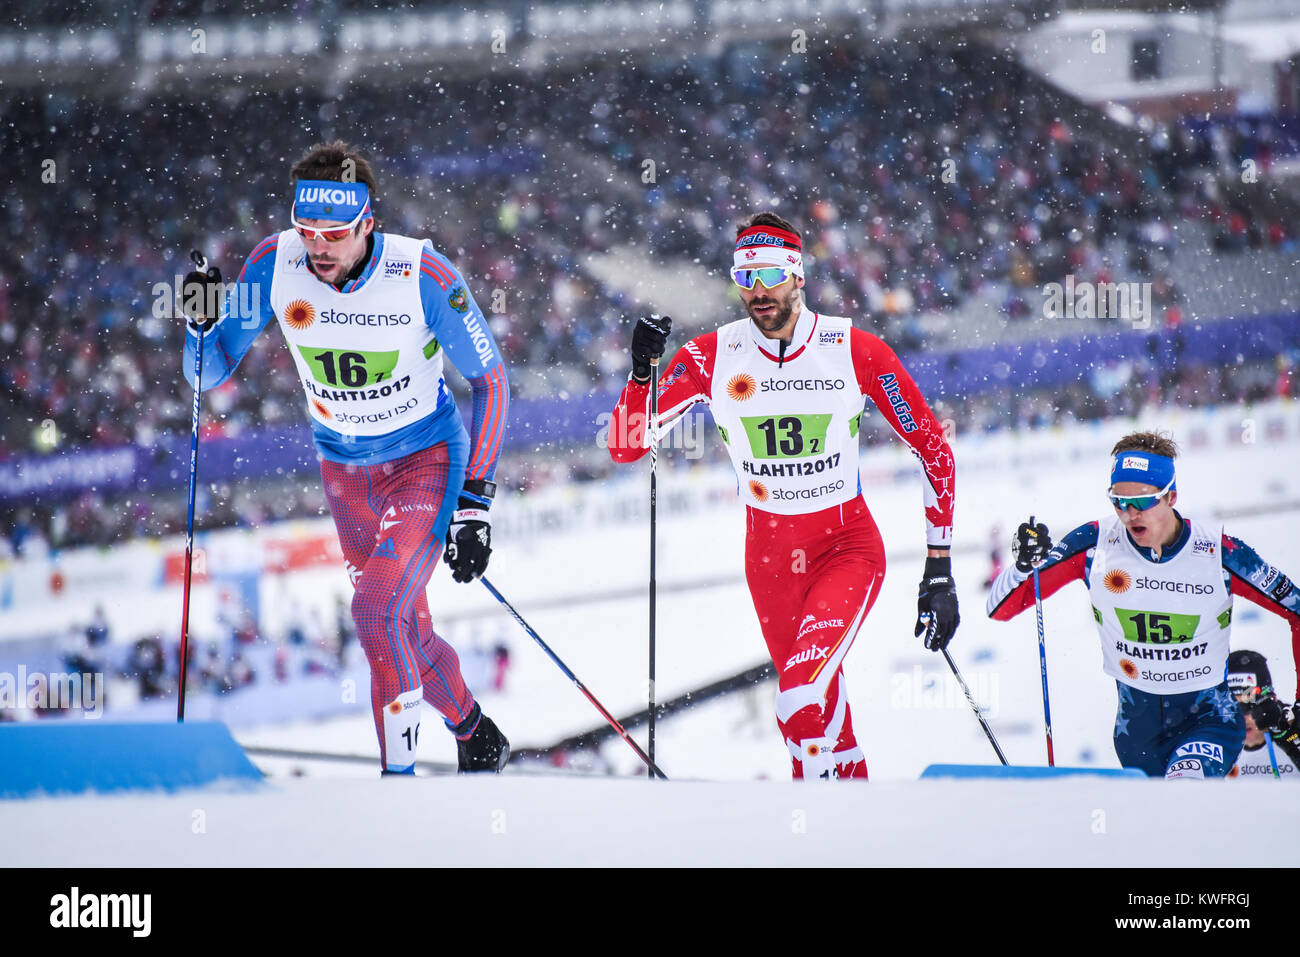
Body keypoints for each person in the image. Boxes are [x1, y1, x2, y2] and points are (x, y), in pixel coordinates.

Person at [178, 141, 510, 774]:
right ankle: (473, 729)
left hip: (424, 461)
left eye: (334, 234)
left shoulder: (425, 274)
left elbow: (491, 381)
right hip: (346, 475)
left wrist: (475, 502)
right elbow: (209, 374)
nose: (319, 247)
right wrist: (198, 324)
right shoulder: (275, 264)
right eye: (308, 232)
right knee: (401, 628)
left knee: (375, 608)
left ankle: (397, 783)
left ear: (367, 223)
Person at [606, 211, 958, 780]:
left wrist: (939, 566)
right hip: (769, 559)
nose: (757, 289)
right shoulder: (710, 356)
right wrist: (642, 374)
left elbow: (933, 450)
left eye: (769, 273)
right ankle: (832, 833)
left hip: (845, 547)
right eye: (744, 276)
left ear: (798, 274)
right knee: (815, 725)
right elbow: (626, 445)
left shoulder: (856, 349)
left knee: (797, 697)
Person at [987, 430, 1300, 778]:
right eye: (1118, 501)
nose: (1130, 513)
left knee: (1184, 790)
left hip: (1209, 721)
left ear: (1171, 497)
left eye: (1143, 501)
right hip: (1136, 734)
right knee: (1162, 825)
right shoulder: (1096, 544)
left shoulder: (1217, 552)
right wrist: (1022, 566)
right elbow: (1001, 609)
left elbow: (1296, 610)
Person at [1226, 650, 1300, 780]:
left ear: (1269, 701)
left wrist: (1291, 740)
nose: (1242, 717)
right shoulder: (1213, 745)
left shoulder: (1292, 729)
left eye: (1249, 705)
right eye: (1232, 707)